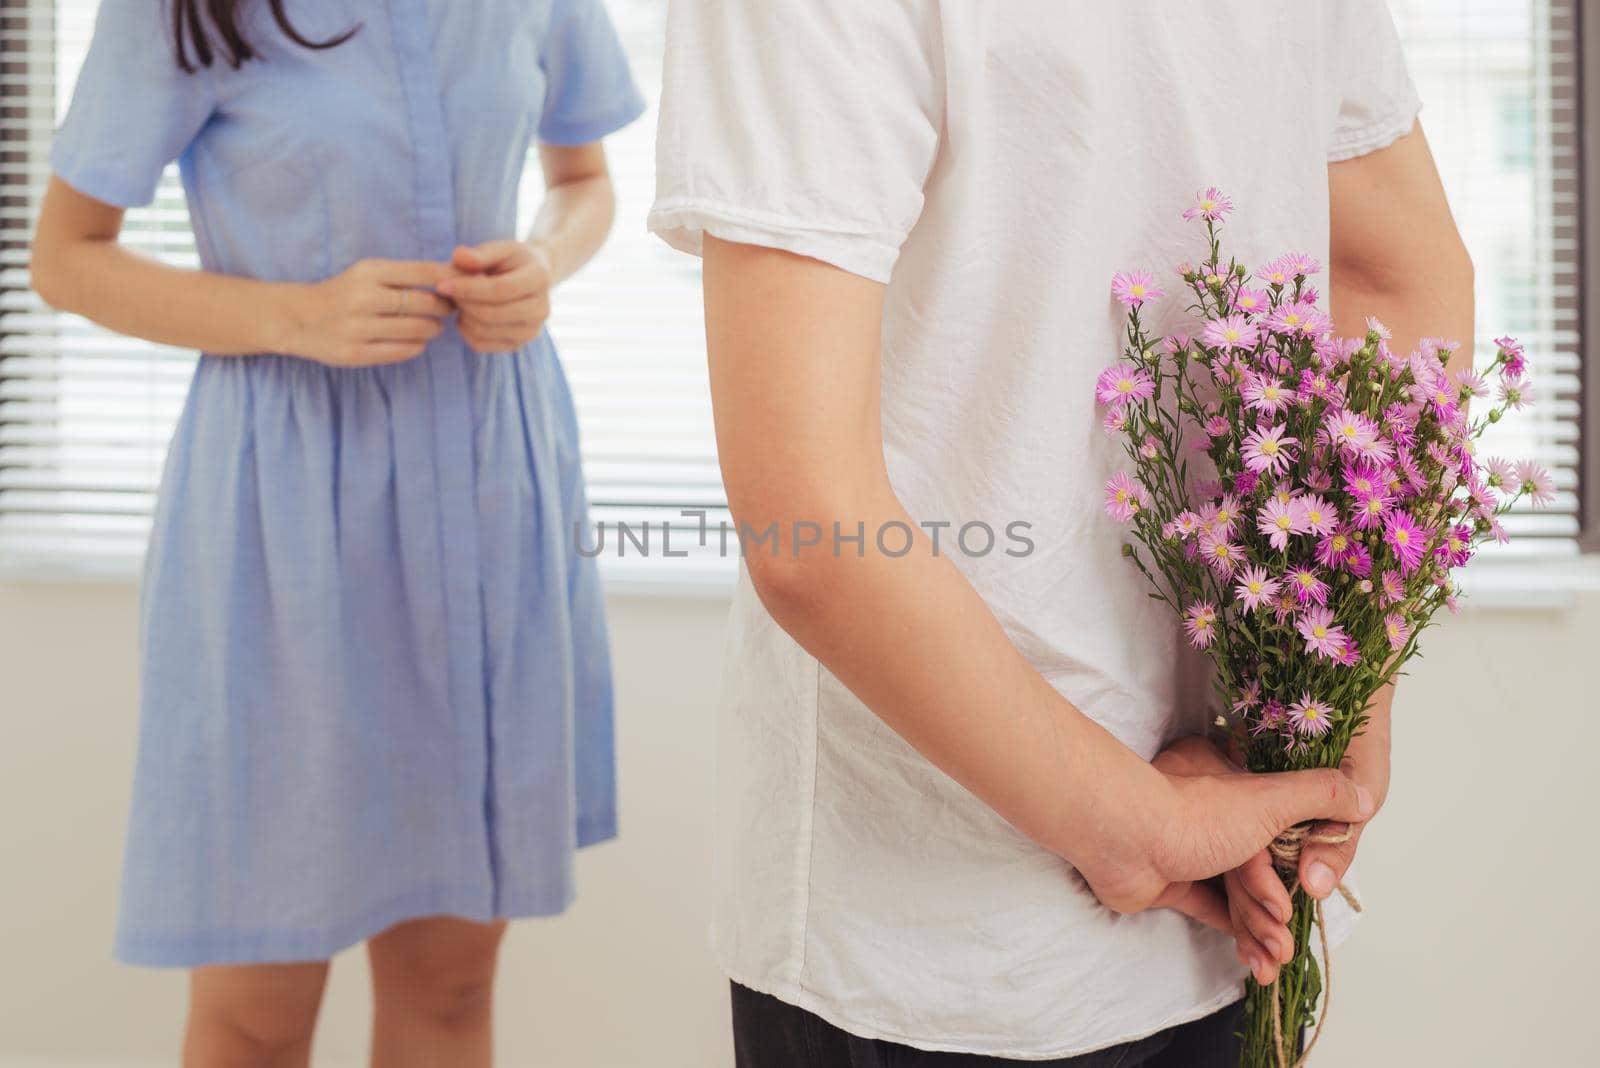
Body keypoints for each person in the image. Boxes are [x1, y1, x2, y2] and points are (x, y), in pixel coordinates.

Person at [649, 1, 1473, 1064]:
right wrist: (1321, 720)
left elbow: (814, 526)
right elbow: (1400, 284)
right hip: (1035, 901)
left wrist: (1316, 726)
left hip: (1051, 905)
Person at [28, 1, 642, 1065]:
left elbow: (582, 184)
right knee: (258, 1014)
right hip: (285, 523)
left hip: (489, 490)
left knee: (450, 987)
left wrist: (543, 264)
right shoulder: (178, 13)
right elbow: (67, 258)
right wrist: (295, 316)